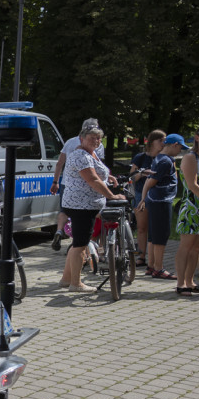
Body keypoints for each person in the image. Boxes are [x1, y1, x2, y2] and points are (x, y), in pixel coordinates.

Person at [56, 125, 127, 292]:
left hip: (85, 204)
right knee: (80, 245)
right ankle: (76, 284)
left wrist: (107, 176)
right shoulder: (81, 155)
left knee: (78, 243)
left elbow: (95, 172)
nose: (96, 141)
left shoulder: (90, 154)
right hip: (81, 206)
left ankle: (66, 279)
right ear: (81, 139)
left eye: (98, 138)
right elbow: (92, 179)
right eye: (91, 138)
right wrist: (111, 196)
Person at [50, 118, 108, 250]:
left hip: (67, 182)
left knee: (64, 211)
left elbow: (60, 163)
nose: (96, 139)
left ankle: (60, 230)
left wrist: (55, 181)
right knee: (89, 218)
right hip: (86, 188)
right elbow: (97, 170)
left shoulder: (70, 141)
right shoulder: (95, 145)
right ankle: (89, 243)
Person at [138, 133, 187, 280]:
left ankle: (151, 266)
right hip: (161, 201)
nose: (180, 151)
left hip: (155, 201)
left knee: (153, 235)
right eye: (180, 148)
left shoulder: (159, 158)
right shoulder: (165, 161)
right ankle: (159, 268)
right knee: (161, 235)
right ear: (174, 145)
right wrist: (142, 198)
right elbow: (150, 181)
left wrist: (145, 198)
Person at [173, 124, 199, 295]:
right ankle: (181, 284)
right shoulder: (189, 158)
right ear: (197, 138)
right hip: (192, 210)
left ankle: (190, 281)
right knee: (186, 247)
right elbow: (192, 185)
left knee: (197, 248)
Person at [128, 130, 166, 266]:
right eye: (160, 140)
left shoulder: (164, 158)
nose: (163, 143)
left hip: (159, 196)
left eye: (165, 140)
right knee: (142, 227)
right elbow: (132, 177)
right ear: (152, 142)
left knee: (155, 228)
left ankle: (154, 261)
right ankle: (141, 256)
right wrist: (142, 173)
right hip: (140, 195)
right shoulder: (141, 157)